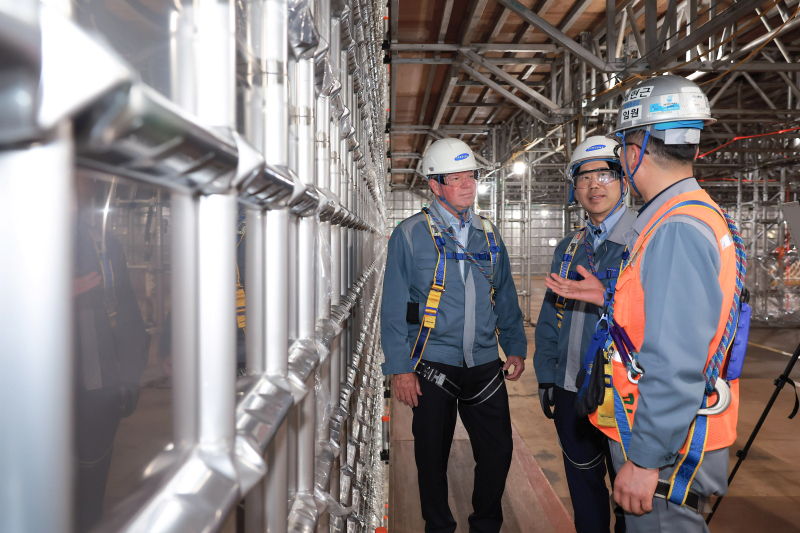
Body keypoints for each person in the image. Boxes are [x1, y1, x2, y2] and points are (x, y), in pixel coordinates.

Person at [544, 75, 745, 532]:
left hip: (664, 447)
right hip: (668, 433)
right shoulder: (693, 213)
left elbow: (675, 361)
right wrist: (608, 297)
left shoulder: (674, 229)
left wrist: (645, 459)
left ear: (634, 153)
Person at [380, 137, 528, 533]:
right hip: (433, 363)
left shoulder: (489, 235)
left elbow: (505, 296)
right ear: (434, 184)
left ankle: (486, 524)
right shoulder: (409, 235)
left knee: (498, 452)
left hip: (484, 364)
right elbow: (393, 308)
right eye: (456, 178)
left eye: (471, 176)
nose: (467, 185)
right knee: (431, 457)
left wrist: (514, 346)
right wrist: (400, 368)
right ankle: (439, 527)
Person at [534, 136, 634, 533]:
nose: (594, 185)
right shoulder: (570, 247)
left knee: (631, 498)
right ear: (574, 188)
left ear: (624, 180)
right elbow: (550, 317)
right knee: (585, 491)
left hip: (625, 393)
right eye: (584, 177)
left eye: (605, 174)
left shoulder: (643, 240)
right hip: (572, 389)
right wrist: (547, 375)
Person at [73, 174, 150, 532]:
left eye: (81, 178)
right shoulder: (17, 245)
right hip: (30, 400)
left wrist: (130, 379)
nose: (77, 186)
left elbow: (128, 314)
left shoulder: (103, 246)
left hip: (97, 400)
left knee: (88, 502)